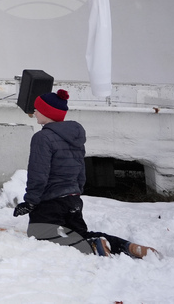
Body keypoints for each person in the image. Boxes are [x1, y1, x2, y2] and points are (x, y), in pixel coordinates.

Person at [13, 89, 157, 258]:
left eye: (37, 109)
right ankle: (126, 246)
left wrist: (30, 202)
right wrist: (75, 192)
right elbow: (81, 170)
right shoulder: (74, 137)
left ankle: (92, 245)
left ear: (47, 112)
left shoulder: (42, 138)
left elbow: (39, 172)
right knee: (79, 233)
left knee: (40, 235)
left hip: (50, 200)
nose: (34, 111)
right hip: (72, 199)